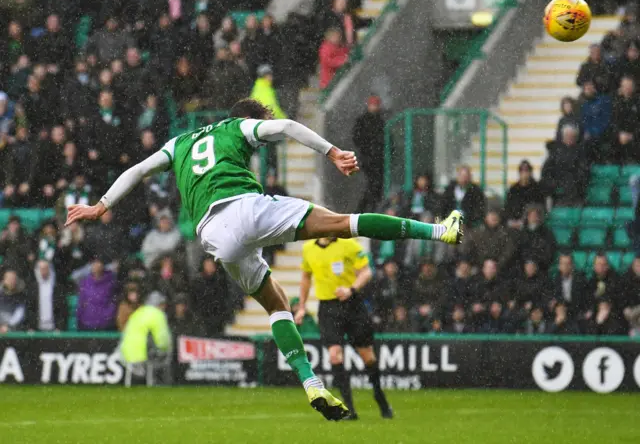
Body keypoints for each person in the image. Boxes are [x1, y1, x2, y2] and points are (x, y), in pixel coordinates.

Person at [65, 98, 462, 421]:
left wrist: (101, 206)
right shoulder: (239, 127)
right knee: (344, 223)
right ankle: (439, 231)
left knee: (276, 303)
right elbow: (287, 127)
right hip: (245, 207)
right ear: (250, 119)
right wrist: (333, 152)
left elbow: (137, 170)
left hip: (213, 236)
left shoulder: (178, 143)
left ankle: (310, 383)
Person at [297, 236, 393, 420]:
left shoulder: (349, 245)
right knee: (334, 354)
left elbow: (366, 272)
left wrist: (351, 289)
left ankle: (379, 395)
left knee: (367, 355)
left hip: (352, 304)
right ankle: (349, 408)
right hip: (327, 308)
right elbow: (305, 277)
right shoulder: (308, 248)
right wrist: (301, 306)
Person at [352, 95, 386, 213]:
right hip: (369, 159)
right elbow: (357, 138)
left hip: (377, 159)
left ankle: (365, 210)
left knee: (375, 186)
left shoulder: (379, 121)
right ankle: (365, 209)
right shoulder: (364, 121)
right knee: (373, 185)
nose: (374, 108)